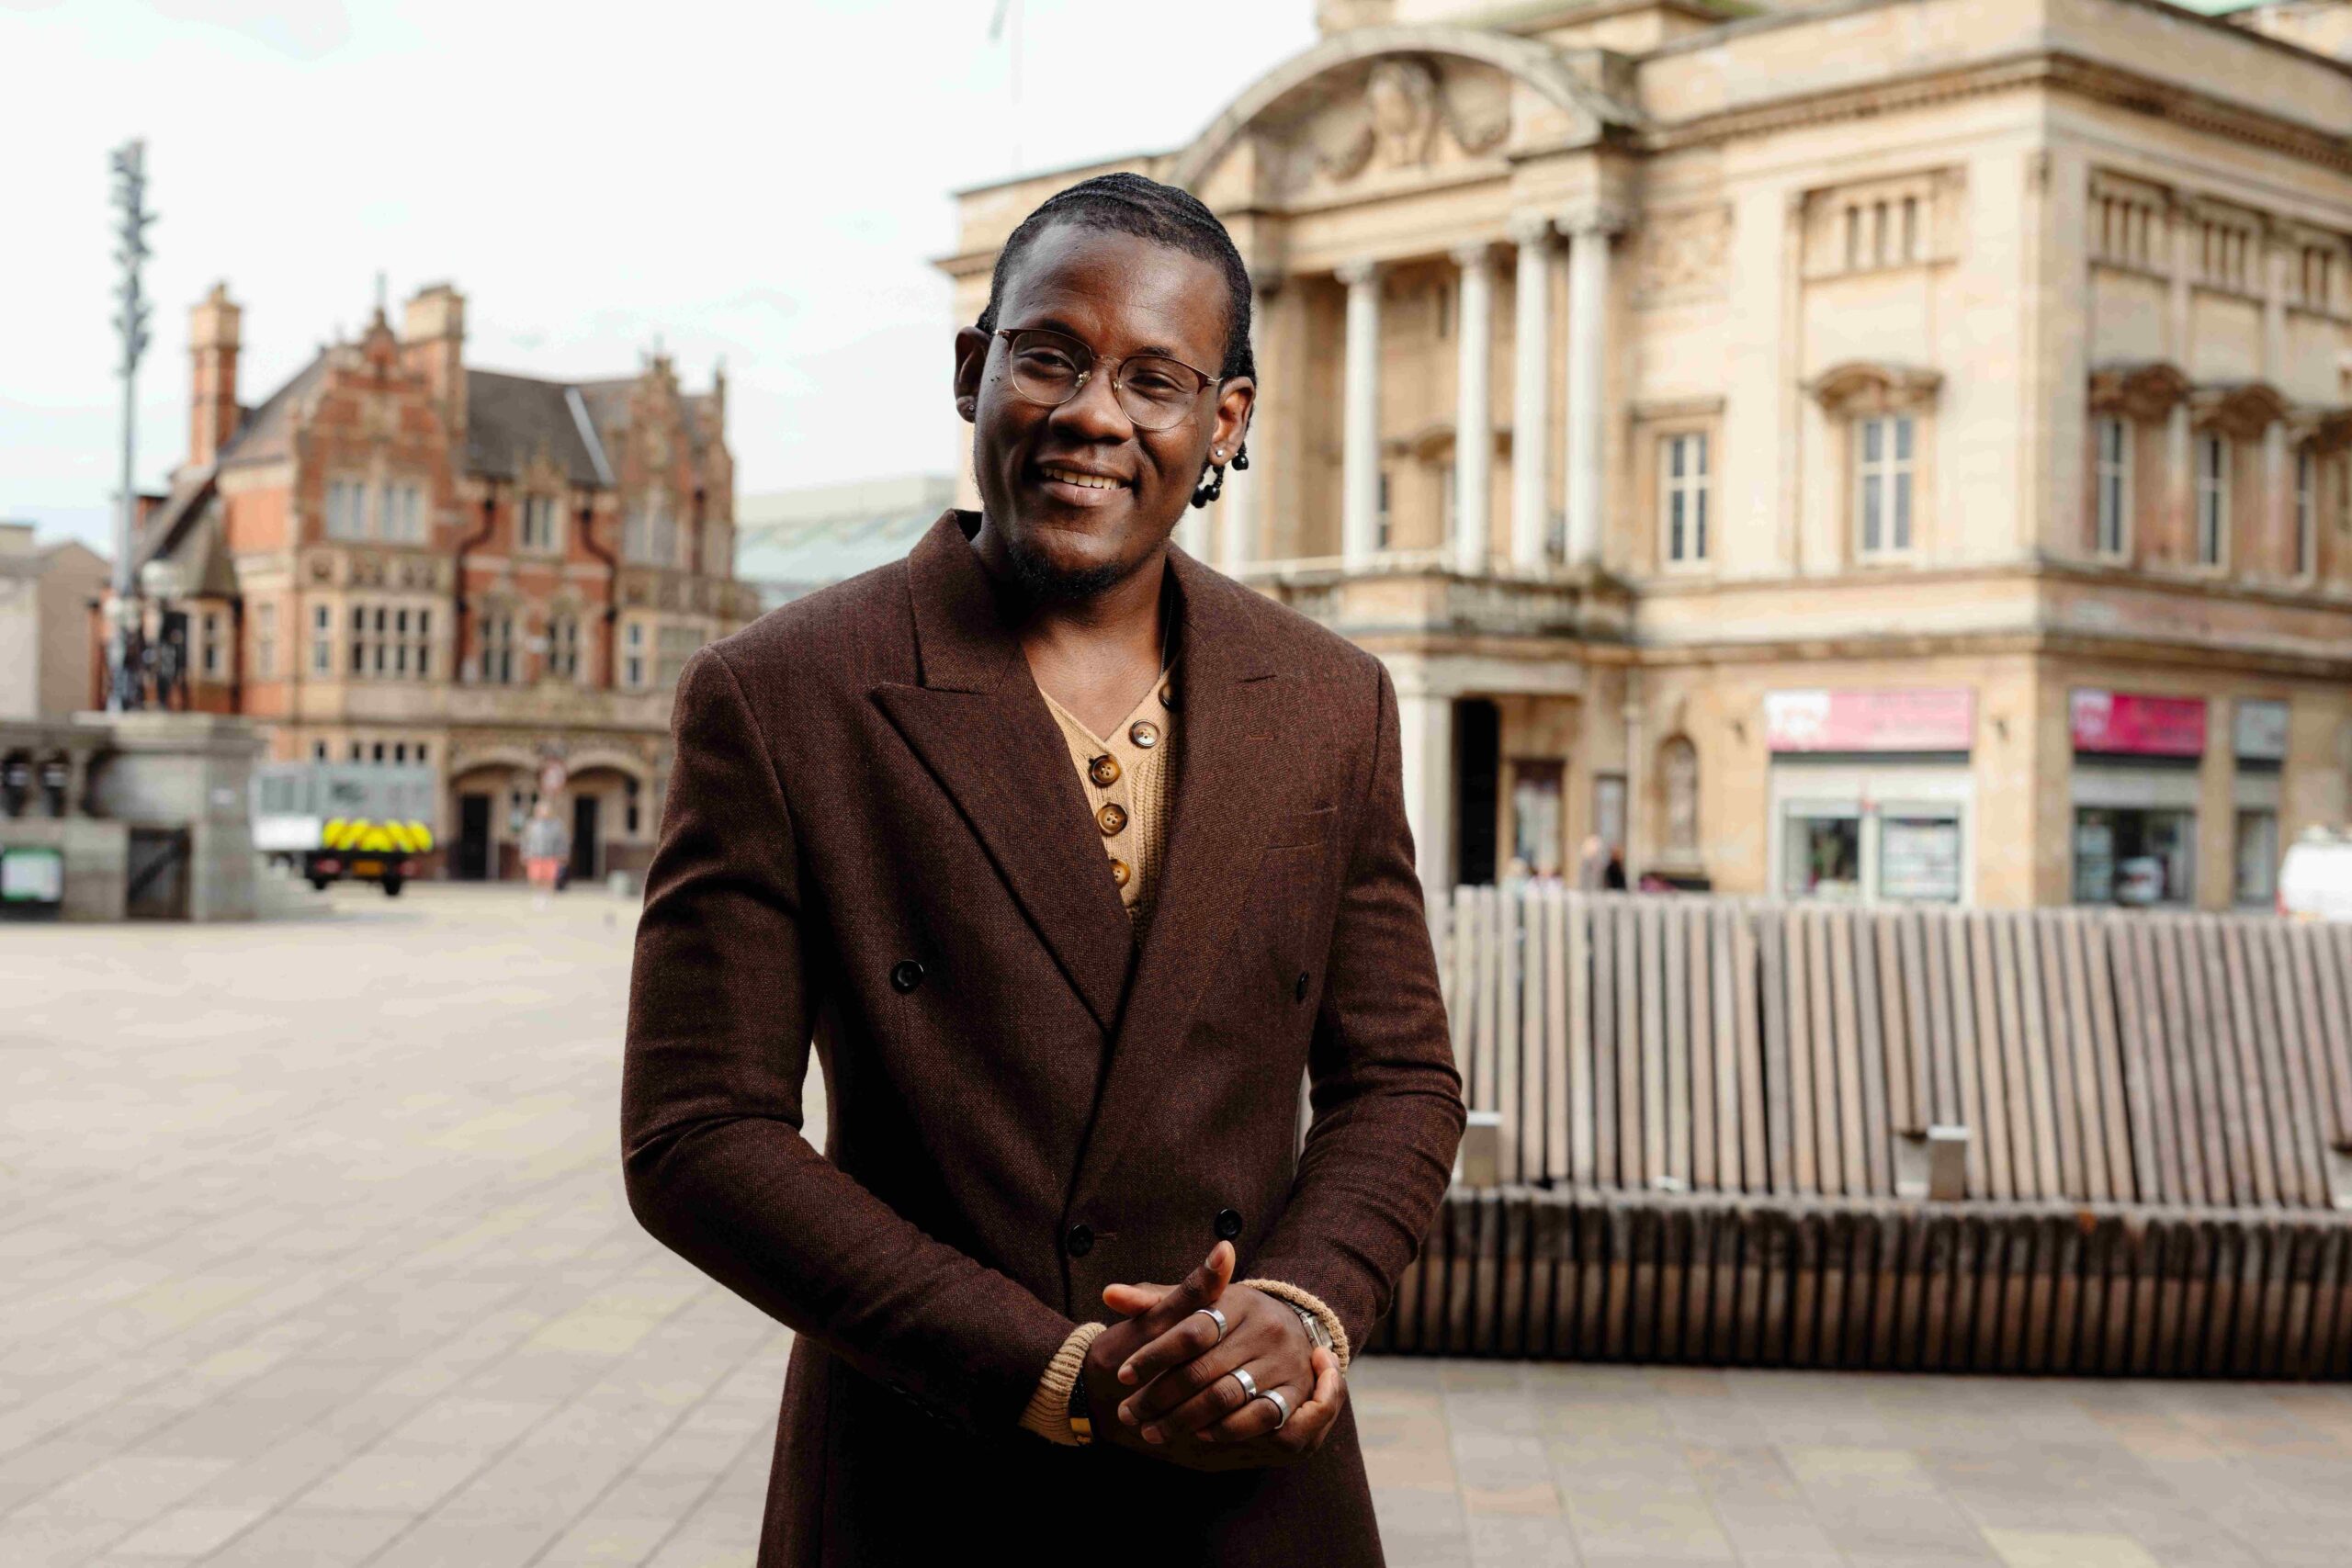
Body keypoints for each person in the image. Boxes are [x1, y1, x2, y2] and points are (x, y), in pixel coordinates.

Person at [622, 173, 1464, 1565]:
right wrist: (1054, 1366)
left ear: (1225, 424)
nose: (1093, 414)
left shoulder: (1329, 699)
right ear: (975, 372)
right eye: (1050, 356)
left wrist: (1307, 1307)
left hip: (1248, 1474)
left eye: (1156, 378)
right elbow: (698, 1133)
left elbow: (1400, 1076)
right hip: (925, 1467)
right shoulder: (785, 694)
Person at [521, 800, 569, 907]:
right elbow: (525, 840)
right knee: (535, 877)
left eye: (545, 810)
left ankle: (547, 897)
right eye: (540, 810)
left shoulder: (557, 825)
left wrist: (562, 853)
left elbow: (562, 840)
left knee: (549, 878)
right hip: (535, 855)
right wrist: (524, 853)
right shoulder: (531, 824)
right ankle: (538, 896)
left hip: (551, 855)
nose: (543, 812)